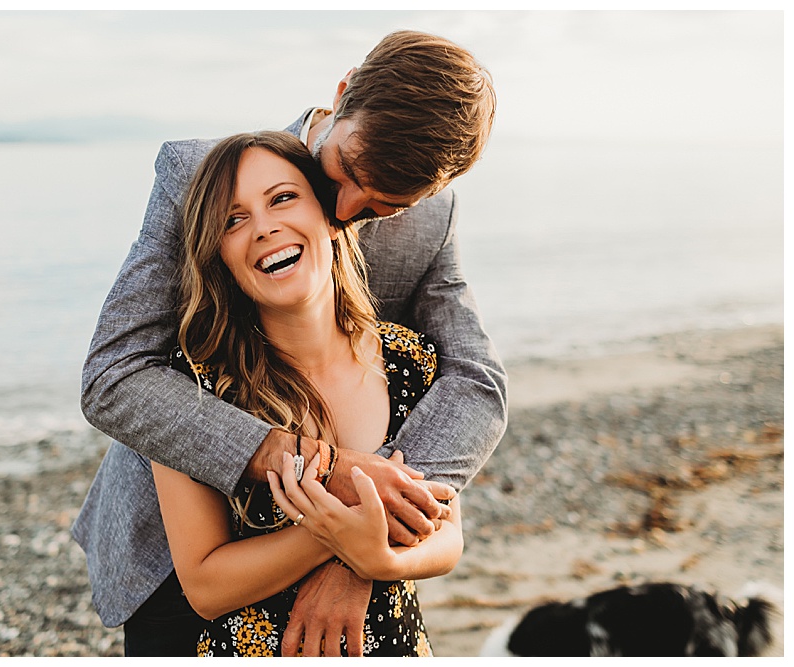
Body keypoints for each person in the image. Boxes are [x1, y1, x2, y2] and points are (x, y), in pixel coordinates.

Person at [72, 30, 507, 656]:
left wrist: (362, 550)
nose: (347, 209)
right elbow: (114, 376)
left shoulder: (431, 221)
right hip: (178, 542)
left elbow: (476, 382)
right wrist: (323, 470)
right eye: (347, 172)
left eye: (386, 205)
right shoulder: (200, 178)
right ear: (343, 93)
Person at [157, 130, 464, 657]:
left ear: (330, 216)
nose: (263, 227)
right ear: (219, 255)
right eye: (233, 220)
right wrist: (335, 535)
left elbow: (449, 536)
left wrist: (381, 561)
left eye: (282, 198)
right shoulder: (193, 386)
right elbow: (205, 586)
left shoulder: (412, 361)